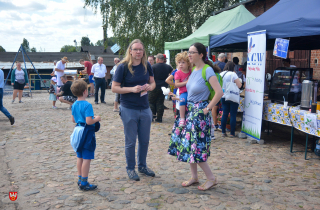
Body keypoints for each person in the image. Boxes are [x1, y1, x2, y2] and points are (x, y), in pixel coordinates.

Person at [168, 42, 223, 191]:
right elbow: (189, 93)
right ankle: (194, 177)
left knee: (196, 147)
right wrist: (177, 98)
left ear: (201, 54)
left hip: (199, 114)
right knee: (188, 145)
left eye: (192, 52)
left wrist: (208, 108)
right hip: (190, 111)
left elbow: (219, 92)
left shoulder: (207, 70)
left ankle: (211, 178)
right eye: (189, 52)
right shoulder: (193, 70)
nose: (189, 54)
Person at [112, 39, 156, 181]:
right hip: (128, 108)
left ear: (143, 52)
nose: (138, 52)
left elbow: (153, 82)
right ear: (130, 51)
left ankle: (142, 166)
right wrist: (132, 89)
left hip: (145, 108)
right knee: (130, 142)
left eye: (140, 49)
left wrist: (151, 87)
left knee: (144, 140)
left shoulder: (147, 65)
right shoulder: (122, 66)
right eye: (135, 49)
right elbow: (114, 88)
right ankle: (130, 168)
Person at [70, 79, 101, 191]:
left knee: (80, 156)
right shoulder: (87, 105)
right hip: (87, 133)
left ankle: (79, 179)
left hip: (77, 130)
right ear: (84, 91)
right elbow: (89, 121)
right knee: (87, 158)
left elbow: (73, 120)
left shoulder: (74, 104)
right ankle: (84, 182)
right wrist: (96, 119)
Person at [148, 53, 173, 122]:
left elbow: (148, 76)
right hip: (163, 88)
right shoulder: (168, 67)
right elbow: (174, 73)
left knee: (151, 102)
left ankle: (152, 116)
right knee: (160, 103)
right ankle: (159, 118)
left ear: (158, 59)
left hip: (154, 87)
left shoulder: (153, 67)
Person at [220, 61, 242, 138]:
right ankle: (232, 133)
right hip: (232, 96)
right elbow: (239, 85)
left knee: (225, 114)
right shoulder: (233, 74)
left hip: (223, 96)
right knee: (233, 114)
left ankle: (223, 132)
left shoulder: (221, 74)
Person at [174, 51, 191, 127]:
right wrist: (186, 82)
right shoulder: (178, 73)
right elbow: (176, 84)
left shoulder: (191, 71)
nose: (180, 64)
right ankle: (182, 118)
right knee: (182, 101)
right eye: (179, 62)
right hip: (183, 92)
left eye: (183, 62)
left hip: (191, 91)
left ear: (188, 63)